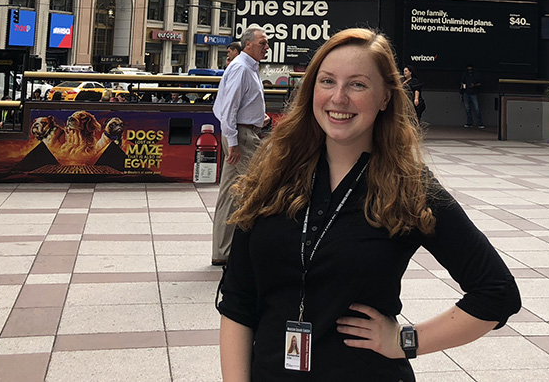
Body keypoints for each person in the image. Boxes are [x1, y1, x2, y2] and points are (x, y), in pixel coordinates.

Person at [217, 28, 520, 382]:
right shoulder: (273, 174)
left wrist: (406, 340)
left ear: (385, 98)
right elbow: (238, 301)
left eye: (358, 85)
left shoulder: (407, 186)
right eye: (327, 81)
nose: (339, 97)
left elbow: (497, 292)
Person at [211, 27, 270, 266]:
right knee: (252, 190)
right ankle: (236, 250)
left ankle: (224, 250)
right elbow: (228, 109)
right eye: (262, 43)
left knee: (231, 193)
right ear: (247, 45)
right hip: (242, 137)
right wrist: (233, 143)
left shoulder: (248, 68)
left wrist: (258, 118)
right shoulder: (241, 68)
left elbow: (238, 104)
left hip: (245, 132)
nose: (267, 47)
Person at [459, 64, 483, 129]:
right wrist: (463, 89)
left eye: (471, 69)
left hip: (473, 93)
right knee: (467, 109)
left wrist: (474, 85)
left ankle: (480, 123)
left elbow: (480, 83)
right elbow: (462, 82)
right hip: (466, 93)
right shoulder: (465, 74)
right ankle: (469, 123)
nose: (469, 71)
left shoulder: (476, 75)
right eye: (468, 69)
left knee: (476, 108)